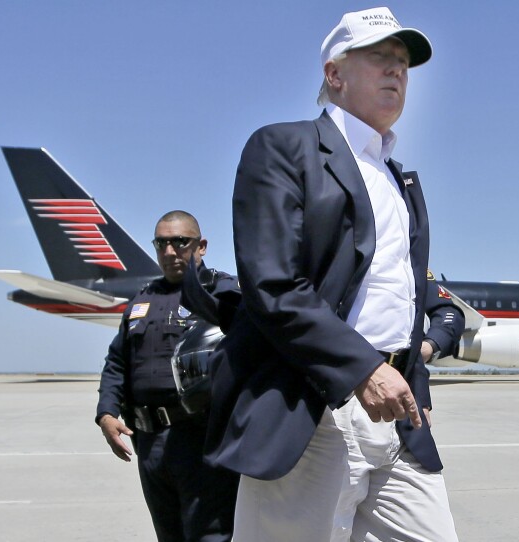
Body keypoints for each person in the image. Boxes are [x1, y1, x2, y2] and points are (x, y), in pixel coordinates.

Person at [203, 7, 465, 541]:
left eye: (403, 64)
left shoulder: (399, 179)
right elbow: (274, 285)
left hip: (397, 414)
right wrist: (364, 370)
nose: (397, 71)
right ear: (334, 74)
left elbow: (403, 299)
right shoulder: (284, 147)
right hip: (312, 406)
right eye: (381, 58)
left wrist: (415, 382)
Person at [96, 210, 239, 542]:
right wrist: (106, 413)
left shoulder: (222, 293)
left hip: (201, 442)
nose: (170, 252)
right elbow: (117, 361)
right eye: (162, 244)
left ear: (201, 246)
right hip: (150, 444)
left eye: (180, 242)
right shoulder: (143, 300)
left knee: (212, 535)